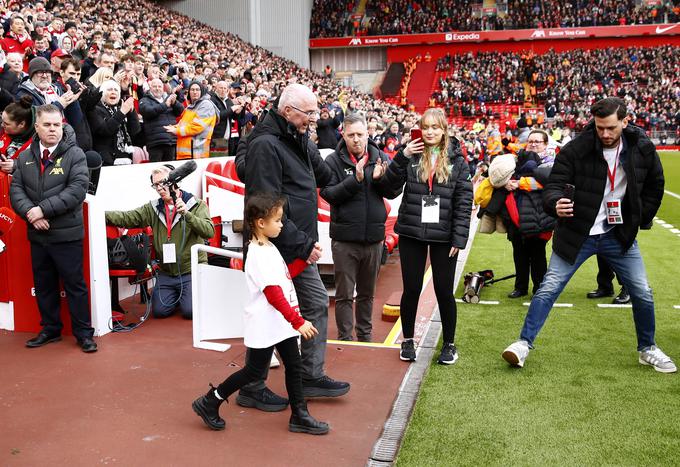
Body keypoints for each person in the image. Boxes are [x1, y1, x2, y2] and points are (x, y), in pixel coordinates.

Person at [501, 97, 675, 373]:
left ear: (625, 122)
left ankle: (647, 348)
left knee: (642, 291)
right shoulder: (577, 148)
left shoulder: (642, 148)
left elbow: (655, 184)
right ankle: (523, 344)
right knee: (548, 288)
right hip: (576, 233)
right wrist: (555, 202)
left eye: (611, 128)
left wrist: (641, 217)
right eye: (599, 127)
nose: (605, 133)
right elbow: (554, 184)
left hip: (618, 235)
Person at [237, 83, 349, 411]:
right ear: (288, 111)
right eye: (308, 113)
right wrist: (302, 244)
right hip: (279, 249)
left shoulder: (295, 137)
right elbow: (265, 205)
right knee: (287, 309)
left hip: (293, 245)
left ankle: (297, 377)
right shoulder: (266, 145)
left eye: (315, 113)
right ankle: (262, 384)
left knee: (293, 308)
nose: (313, 119)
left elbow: (320, 179)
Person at [191, 193, 329, 435]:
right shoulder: (257, 253)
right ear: (261, 223)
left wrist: (305, 261)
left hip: (280, 322)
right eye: (277, 220)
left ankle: (300, 415)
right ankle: (210, 400)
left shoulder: (268, 246)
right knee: (253, 372)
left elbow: (284, 275)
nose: (282, 224)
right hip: (267, 324)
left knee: (294, 366)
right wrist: (298, 321)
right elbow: (273, 293)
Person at [378, 107, 472, 364]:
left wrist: (459, 238)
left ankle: (449, 344)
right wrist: (402, 155)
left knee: (443, 291)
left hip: (444, 235)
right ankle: (408, 340)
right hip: (412, 232)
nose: (430, 132)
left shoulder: (458, 161)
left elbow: (464, 202)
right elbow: (388, 188)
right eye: (426, 127)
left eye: (435, 127)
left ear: (444, 130)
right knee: (411, 289)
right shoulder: (410, 155)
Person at [9, 104, 96, 352]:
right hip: (37, 234)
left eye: (56, 125)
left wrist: (42, 209)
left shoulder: (75, 154)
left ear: (62, 126)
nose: (52, 130)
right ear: (36, 127)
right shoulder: (24, 157)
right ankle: (50, 329)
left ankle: (84, 334)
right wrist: (31, 214)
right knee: (44, 285)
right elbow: (16, 190)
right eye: (47, 125)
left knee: (75, 285)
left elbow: (77, 190)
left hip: (67, 235)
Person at [320, 113, 398, 342]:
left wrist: (380, 179)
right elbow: (328, 194)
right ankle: (346, 338)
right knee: (344, 295)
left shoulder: (380, 157)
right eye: (351, 134)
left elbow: (393, 192)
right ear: (343, 134)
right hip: (345, 241)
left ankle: (365, 336)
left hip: (374, 239)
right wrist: (356, 180)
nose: (356, 139)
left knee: (367, 294)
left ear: (368, 134)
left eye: (360, 134)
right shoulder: (332, 161)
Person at [104, 164, 214, 319]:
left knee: (190, 312)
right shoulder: (153, 208)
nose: (160, 188)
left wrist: (188, 215)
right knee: (160, 312)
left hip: (191, 270)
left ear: (176, 181)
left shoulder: (196, 204)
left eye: (163, 182)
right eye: (155, 185)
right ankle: (180, 296)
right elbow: (127, 217)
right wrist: (98, 213)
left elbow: (209, 232)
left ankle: (190, 294)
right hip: (166, 273)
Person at [88, 79, 141, 166]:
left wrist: (131, 113)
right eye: (109, 89)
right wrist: (122, 112)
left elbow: (135, 131)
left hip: (126, 157)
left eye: (116, 90)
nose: (113, 92)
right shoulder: (95, 109)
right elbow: (104, 130)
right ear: (102, 93)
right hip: (106, 160)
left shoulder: (121, 108)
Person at [165, 81, 217, 159]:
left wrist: (176, 131)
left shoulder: (206, 105)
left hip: (196, 153)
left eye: (197, 90)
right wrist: (174, 127)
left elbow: (196, 127)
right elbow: (183, 124)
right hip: (186, 153)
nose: (195, 92)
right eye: (192, 90)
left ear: (201, 91)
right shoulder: (191, 106)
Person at [138, 78, 184, 162]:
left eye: (159, 86)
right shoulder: (144, 100)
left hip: (171, 141)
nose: (157, 88)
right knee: (157, 170)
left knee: (170, 170)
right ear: (150, 88)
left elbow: (180, 111)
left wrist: (175, 103)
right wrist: (165, 105)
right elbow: (148, 111)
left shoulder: (168, 98)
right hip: (155, 143)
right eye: (154, 86)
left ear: (163, 88)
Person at [1, 96, 36, 174]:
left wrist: (16, 165)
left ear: (21, 124)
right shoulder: (4, 131)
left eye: (6, 123)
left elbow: (40, 165)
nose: (2, 125)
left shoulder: (40, 140)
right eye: (2, 121)